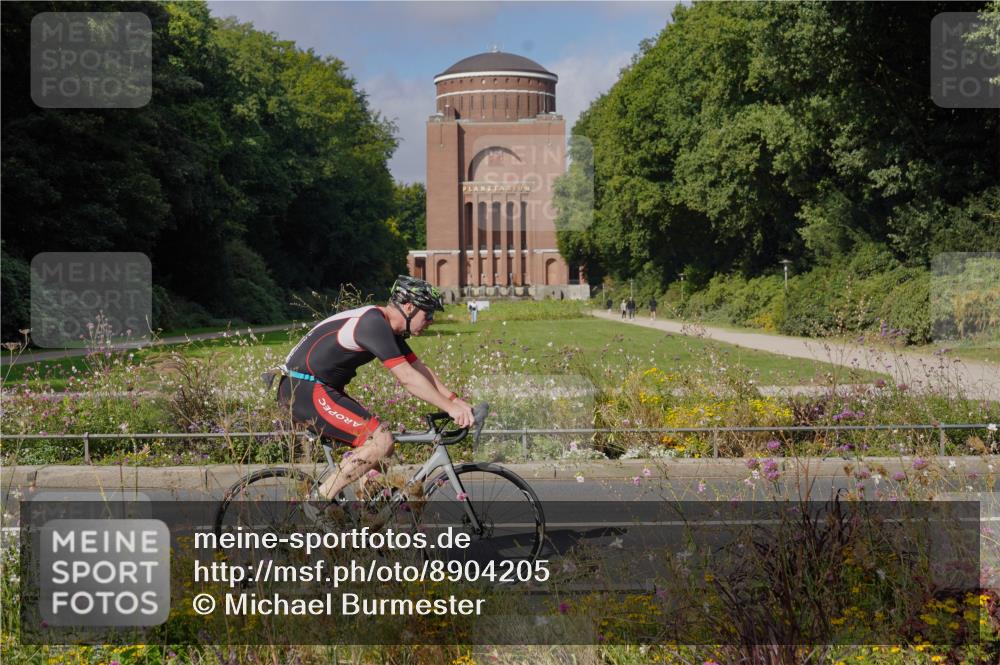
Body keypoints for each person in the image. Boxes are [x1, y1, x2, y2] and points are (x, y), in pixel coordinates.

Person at [275, 275, 474, 506]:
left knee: (379, 450)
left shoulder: (386, 326)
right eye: (428, 313)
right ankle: (318, 502)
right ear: (409, 307)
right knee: (381, 442)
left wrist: (455, 401)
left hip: (317, 388)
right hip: (304, 390)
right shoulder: (373, 324)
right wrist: (450, 408)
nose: (430, 320)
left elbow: (419, 368)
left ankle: (367, 519)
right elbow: (408, 378)